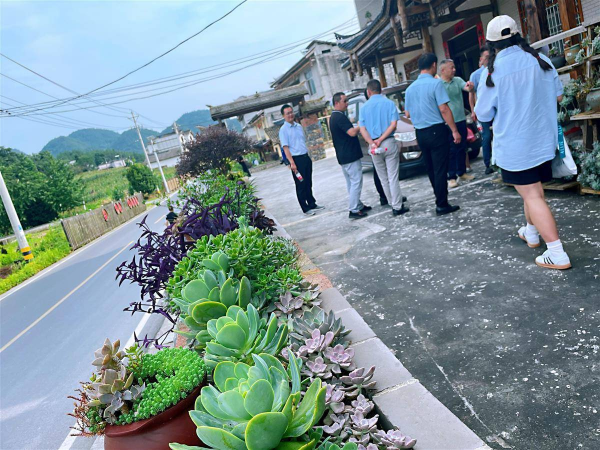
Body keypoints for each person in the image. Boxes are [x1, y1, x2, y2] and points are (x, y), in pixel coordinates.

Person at [475, 15, 570, 270]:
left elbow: (483, 114)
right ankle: (531, 232)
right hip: (543, 142)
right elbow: (559, 97)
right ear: (518, 35)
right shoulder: (541, 60)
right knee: (533, 191)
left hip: (515, 146)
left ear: (491, 44)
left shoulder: (491, 73)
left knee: (532, 195)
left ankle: (557, 252)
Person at [404, 53, 461, 216]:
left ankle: (439, 198)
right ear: (434, 65)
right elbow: (444, 109)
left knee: (430, 168)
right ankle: (442, 204)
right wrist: (454, 130)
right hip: (436, 130)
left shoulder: (410, 89)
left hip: (420, 132)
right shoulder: (436, 84)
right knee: (440, 168)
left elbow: (407, 114)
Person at [359, 79, 409, 217]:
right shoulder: (389, 103)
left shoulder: (363, 108)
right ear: (380, 90)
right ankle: (397, 206)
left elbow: (362, 129)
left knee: (383, 177)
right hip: (388, 142)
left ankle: (392, 203)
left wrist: (372, 142)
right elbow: (393, 125)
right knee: (393, 176)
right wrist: (381, 139)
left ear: (368, 92)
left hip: (373, 146)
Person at [330, 92, 372, 219]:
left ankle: (357, 205)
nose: (347, 103)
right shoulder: (339, 117)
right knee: (356, 182)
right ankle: (353, 209)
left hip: (344, 155)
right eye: (345, 101)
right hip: (349, 155)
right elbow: (352, 132)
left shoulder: (334, 117)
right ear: (337, 103)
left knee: (351, 183)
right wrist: (360, 125)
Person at [278, 104, 324, 216]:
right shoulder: (283, 130)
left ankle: (312, 203)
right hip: (296, 160)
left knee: (308, 182)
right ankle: (305, 208)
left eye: (291, 112)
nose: (290, 115)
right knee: (301, 184)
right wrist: (292, 163)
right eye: (287, 113)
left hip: (305, 157)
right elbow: (285, 148)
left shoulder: (298, 126)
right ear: (283, 116)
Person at [439, 59, 475, 188]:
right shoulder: (438, 85)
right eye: (451, 68)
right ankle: (451, 177)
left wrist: (470, 86)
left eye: (454, 67)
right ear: (443, 70)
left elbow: (467, 87)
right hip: (448, 122)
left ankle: (462, 172)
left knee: (462, 147)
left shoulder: (457, 80)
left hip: (461, 119)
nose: (454, 70)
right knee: (451, 150)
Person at [469, 46, 494, 175]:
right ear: (481, 59)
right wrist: (473, 111)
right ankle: (488, 163)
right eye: (487, 57)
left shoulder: (496, 69)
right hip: (483, 110)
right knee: (486, 136)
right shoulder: (476, 75)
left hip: (496, 108)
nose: (489, 60)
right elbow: (471, 94)